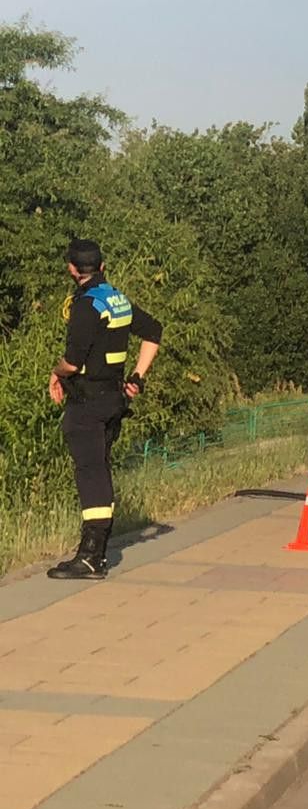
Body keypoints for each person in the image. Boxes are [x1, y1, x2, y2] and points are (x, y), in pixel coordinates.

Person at [47, 239, 163, 579]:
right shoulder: (117, 298)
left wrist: (55, 373)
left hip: (87, 403)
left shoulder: (86, 306)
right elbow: (153, 331)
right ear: (102, 267)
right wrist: (137, 378)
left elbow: (73, 361)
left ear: (71, 269)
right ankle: (95, 552)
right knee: (100, 469)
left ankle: (90, 557)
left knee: (91, 472)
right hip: (113, 400)